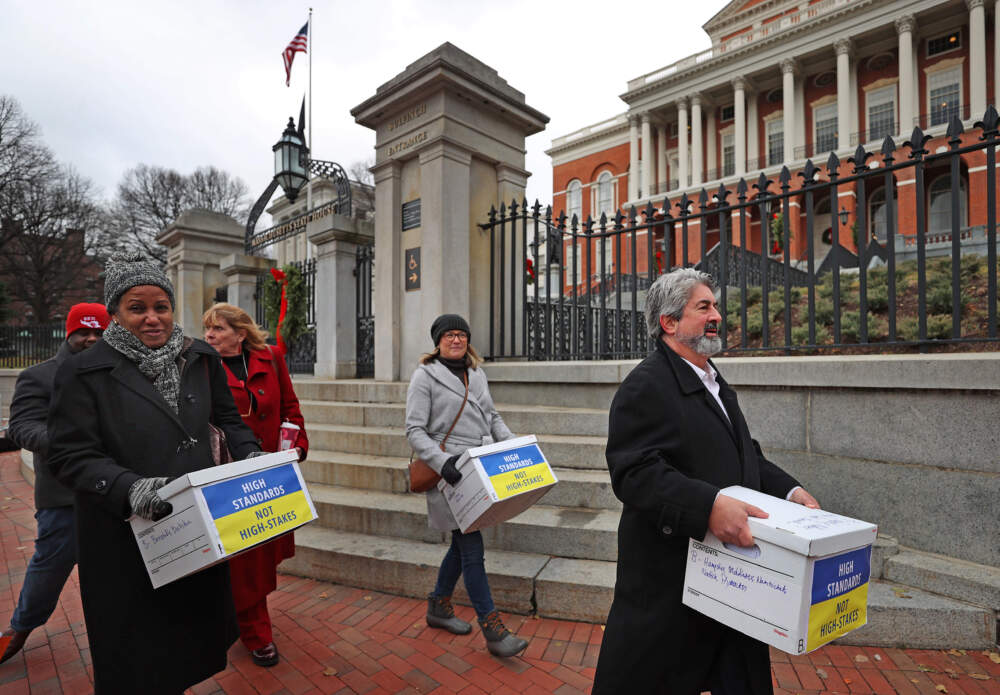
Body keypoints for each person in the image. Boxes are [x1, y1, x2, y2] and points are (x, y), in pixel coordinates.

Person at [591, 268, 820, 695]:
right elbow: (635, 473)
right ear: (669, 322)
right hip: (670, 583)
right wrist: (708, 506)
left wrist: (790, 491)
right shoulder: (645, 385)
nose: (717, 314)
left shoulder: (711, 378)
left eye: (715, 305)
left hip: (728, 582)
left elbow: (743, 452)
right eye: (704, 307)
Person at [46, 252, 261, 694]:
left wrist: (254, 458)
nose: (152, 318)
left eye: (160, 306)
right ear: (115, 313)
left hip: (193, 526)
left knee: (185, 643)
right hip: (123, 535)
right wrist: (130, 488)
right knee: (139, 655)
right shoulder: (82, 371)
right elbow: (70, 454)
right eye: (137, 308)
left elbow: (229, 421)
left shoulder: (199, 357)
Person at [405, 314, 529, 658]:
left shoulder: (476, 373)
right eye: (449, 335)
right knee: (471, 547)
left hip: (479, 469)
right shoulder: (424, 376)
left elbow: (491, 417)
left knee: (462, 545)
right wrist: (441, 462)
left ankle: (439, 606)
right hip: (448, 472)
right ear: (438, 341)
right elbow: (414, 429)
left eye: (461, 334)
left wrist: (512, 443)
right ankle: (493, 630)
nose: (456, 340)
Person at [0, 303, 110, 665]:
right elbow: (22, 427)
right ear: (69, 333)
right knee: (49, 566)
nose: (91, 338)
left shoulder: (121, 372)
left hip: (117, 491)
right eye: (83, 331)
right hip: (66, 495)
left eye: (99, 331)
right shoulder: (40, 376)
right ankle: (19, 628)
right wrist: (71, 442)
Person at [203, 302, 308, 668]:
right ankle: (255, 631)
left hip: (271, 473)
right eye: (208, 329)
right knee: (244, 558)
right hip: (229, 474)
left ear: (240, 333)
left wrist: (297, 444)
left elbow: (291, 407)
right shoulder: (202, 366)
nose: (209, 336)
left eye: (217, 329)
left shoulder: (272, 358)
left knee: (260, 556)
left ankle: (243, 622)